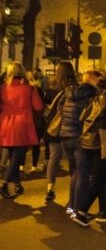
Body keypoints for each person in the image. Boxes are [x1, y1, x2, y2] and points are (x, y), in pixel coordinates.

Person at [72, 75, 106, 226]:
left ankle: (103, 211)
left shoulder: (97, 97)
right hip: (103, 142)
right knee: (100, 178)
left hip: (89, 141)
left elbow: (84, 118)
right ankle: (82, 212)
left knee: (104, 177)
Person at [55, 69, 101, 215]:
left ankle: (71, 204)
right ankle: (77, 208)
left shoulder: (69, 92)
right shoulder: (92, 95)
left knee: (75, 171)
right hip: (79, 137)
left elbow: (60, 109)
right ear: (93, 80)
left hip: (65, 135)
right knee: (83, 173)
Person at [0, 62, 44, 198]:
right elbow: (38, 107)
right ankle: (5, 184)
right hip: (22, 124)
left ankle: (18, 184)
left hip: (6, 123)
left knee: (13, 155)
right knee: (17, 156)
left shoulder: (3, 88)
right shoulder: (29, 88)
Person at [44, 62, 78, 202]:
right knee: (73, 158)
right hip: (69, 127)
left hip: (53, 126)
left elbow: (44, 104)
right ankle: (74, 187)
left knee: (54, 157)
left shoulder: (52, 86)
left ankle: (50, 188)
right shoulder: (75, 87)